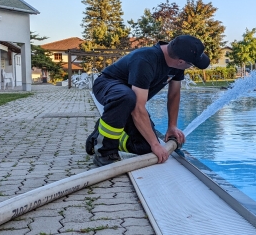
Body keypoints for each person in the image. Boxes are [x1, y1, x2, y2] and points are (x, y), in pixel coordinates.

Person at [86, 35, 210, 167]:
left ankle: (98, 135)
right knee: (126, 97)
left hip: (130, 99)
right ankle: (104, 150)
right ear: (180, 61)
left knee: (145, 146)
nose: (190, 67)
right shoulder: (146, 59)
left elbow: (174, 94)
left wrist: (172, 126)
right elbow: (138, 108)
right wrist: (156, 144)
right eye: (191, 65)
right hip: (109, 85)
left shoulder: (177, 64)